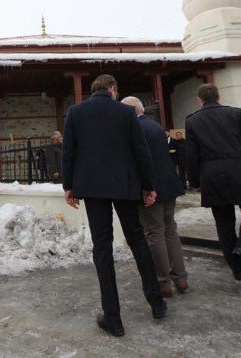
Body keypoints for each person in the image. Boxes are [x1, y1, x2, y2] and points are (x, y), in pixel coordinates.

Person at [62, 74, 165, 338]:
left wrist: (68, 186)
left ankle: (113, 318)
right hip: (125, 187)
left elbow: (69, 152)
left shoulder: (76, 112)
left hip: (93, 189)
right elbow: (140, 151)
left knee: (102, 248)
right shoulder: (126, 113)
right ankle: (156, 303)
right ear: (112, 89)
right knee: (138, 240)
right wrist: (148, 186)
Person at [185, 84, 241, 281]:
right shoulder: (235, 114)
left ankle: (236, 268)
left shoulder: (192, 120)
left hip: (212, 175)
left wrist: (194, 181)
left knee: (224, 222)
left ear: (199, 100)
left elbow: (191, 155)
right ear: (218, 96)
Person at [122, 97, 187, 298]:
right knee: (170, 229)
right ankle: (181, 278)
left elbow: (140, 161)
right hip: (169, 184)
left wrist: (144, 188)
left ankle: (163, 281)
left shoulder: (133, 129)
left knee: (154, 233)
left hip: (151, 188)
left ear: (130, 111)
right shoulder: (156, 126)